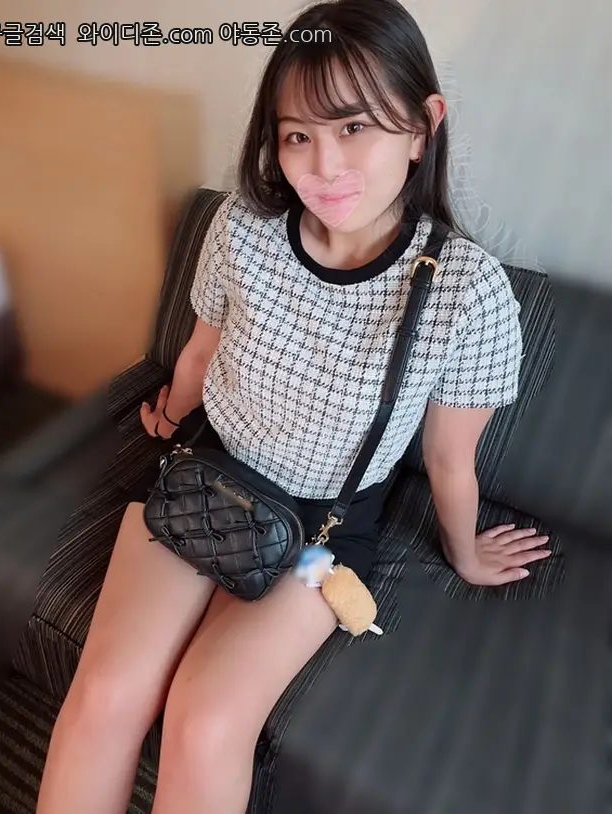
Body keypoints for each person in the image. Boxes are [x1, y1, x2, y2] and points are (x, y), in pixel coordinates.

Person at [35, 1, 552, 812]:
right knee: (106, 692)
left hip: (325, 528)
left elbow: (449, 458)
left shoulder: (466, 290)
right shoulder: (243, 227)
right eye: (297, 135)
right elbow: (199, 356)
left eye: (355, 127)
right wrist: (168, 418)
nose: (323, 165)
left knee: (206, 722)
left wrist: (465, 553)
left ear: (422, 127)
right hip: (206, 475)